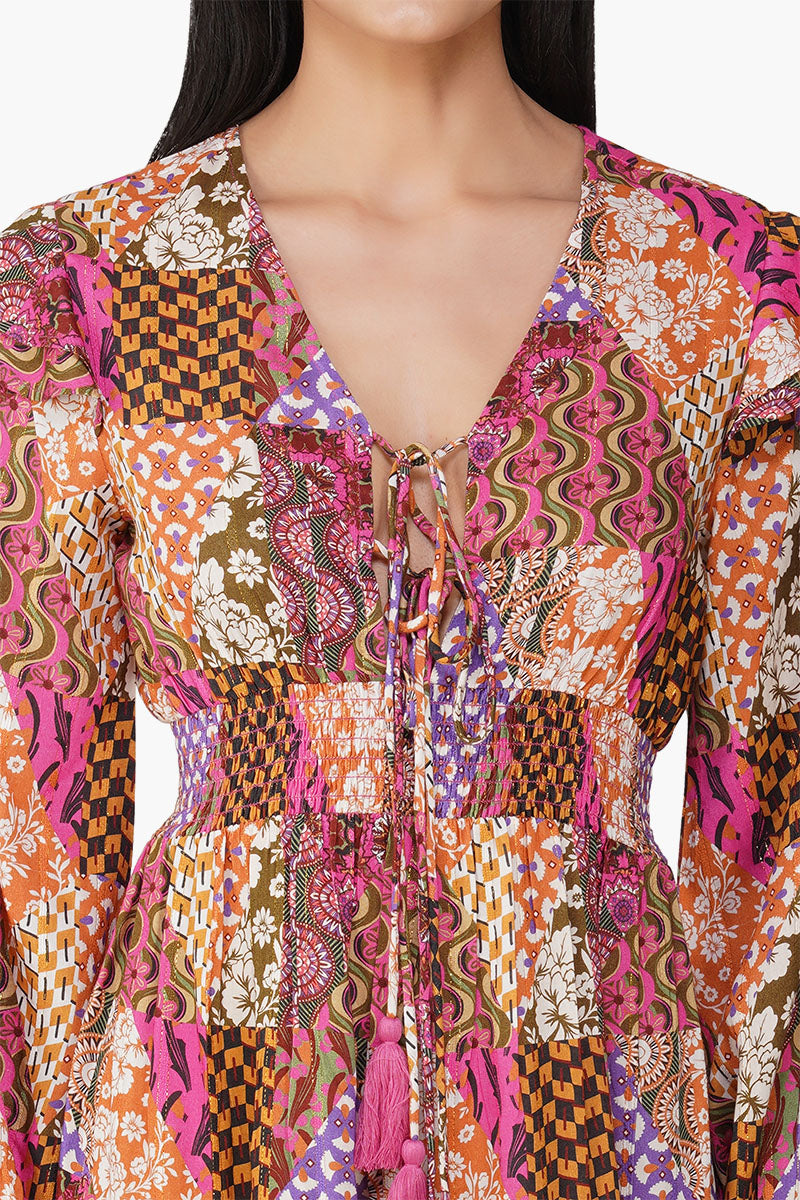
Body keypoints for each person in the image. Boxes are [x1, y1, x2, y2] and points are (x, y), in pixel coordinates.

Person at [0, 1, 797, 1197]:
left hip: (598, 1133)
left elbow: (770, 837)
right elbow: (34, 828)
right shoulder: (83, 284)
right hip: (197, 1125)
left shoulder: (727, 285)